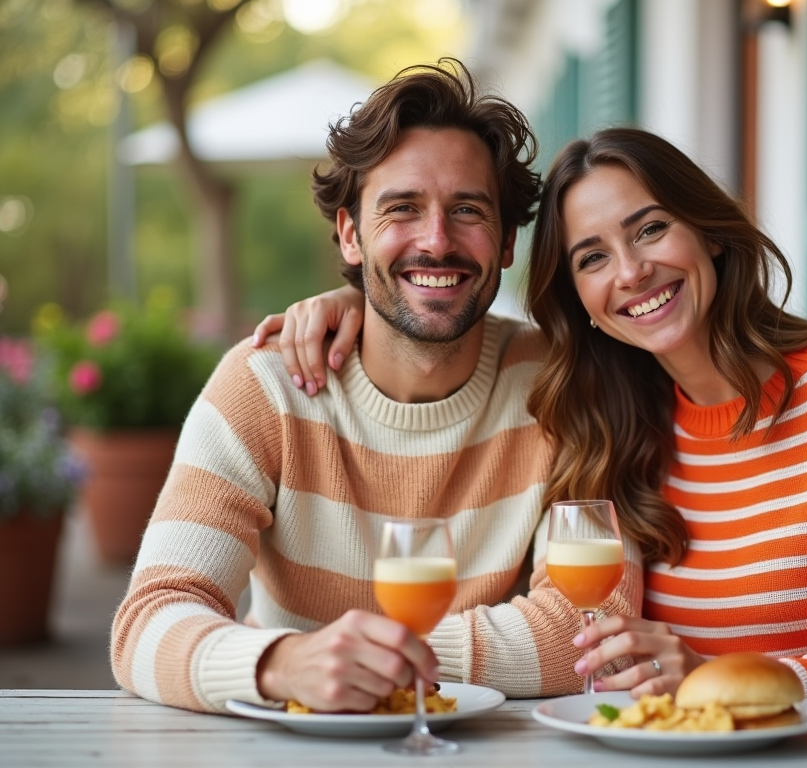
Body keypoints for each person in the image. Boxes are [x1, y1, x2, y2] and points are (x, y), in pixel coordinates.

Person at [256, 127, 807, 767]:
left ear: (711, 233)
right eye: (593, 258)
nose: (631, 273)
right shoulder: (610, 420)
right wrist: (353, 301)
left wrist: (710, 675)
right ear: (583, 307)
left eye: (650, 229)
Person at [110, 60, 643, 717]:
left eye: (467, 210)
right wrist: (281, 664)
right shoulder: (265, 388)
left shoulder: (563, 385)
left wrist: (353, 659)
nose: (437, 240)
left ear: (507, 242)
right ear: (351, 234)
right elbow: (147, 622)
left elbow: (587, 631)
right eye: (403, 209)